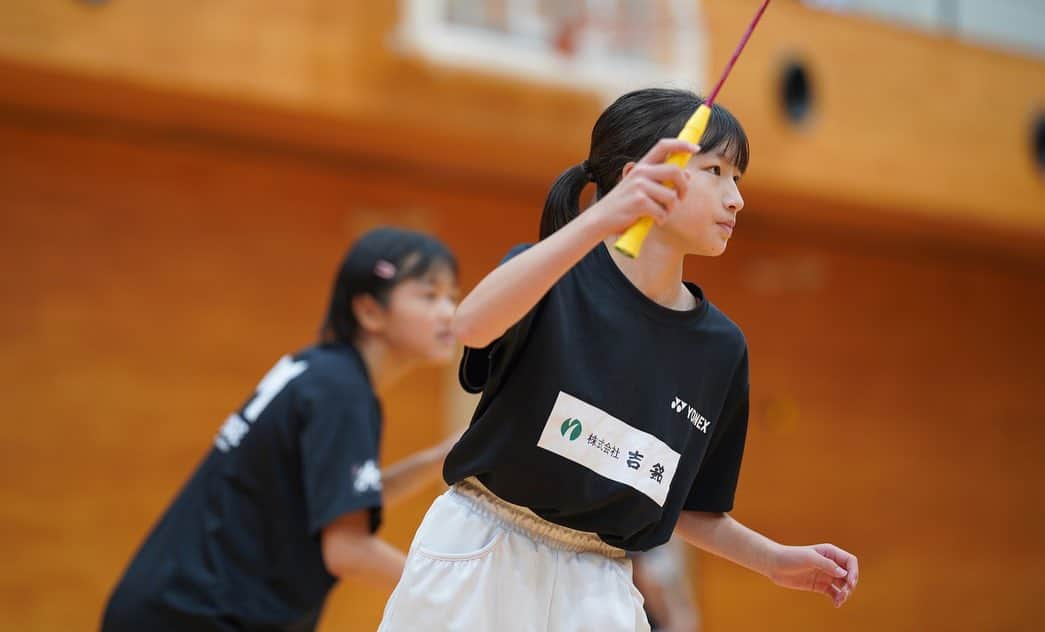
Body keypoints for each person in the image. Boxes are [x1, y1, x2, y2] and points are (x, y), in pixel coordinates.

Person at [377, 89, 859, 632]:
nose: (736, 199)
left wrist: (773, 560)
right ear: (642, 176)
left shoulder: (722, 349)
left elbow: (689, 507)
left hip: (599, 586)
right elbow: (471, 325)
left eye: (738, 179)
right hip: (481, 549)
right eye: (716, 170)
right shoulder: (549, 274)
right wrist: (602, 219)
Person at [102, 227, 461, 631]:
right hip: (194, 616)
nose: (449, 311)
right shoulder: (342, 391)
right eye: (429, 296)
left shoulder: (322, 372)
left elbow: (337, 503)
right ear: (370, 312)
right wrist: (457, 595)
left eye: (452, 296)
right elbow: (348, 550)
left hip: (176, 608)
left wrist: (438, 459)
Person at [632, 538, 702, 632]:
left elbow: (679, 583)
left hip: (665, 615)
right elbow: (643, 578)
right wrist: (667, 621)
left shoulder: (667, 549)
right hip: (653, 620)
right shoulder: (642, 551)